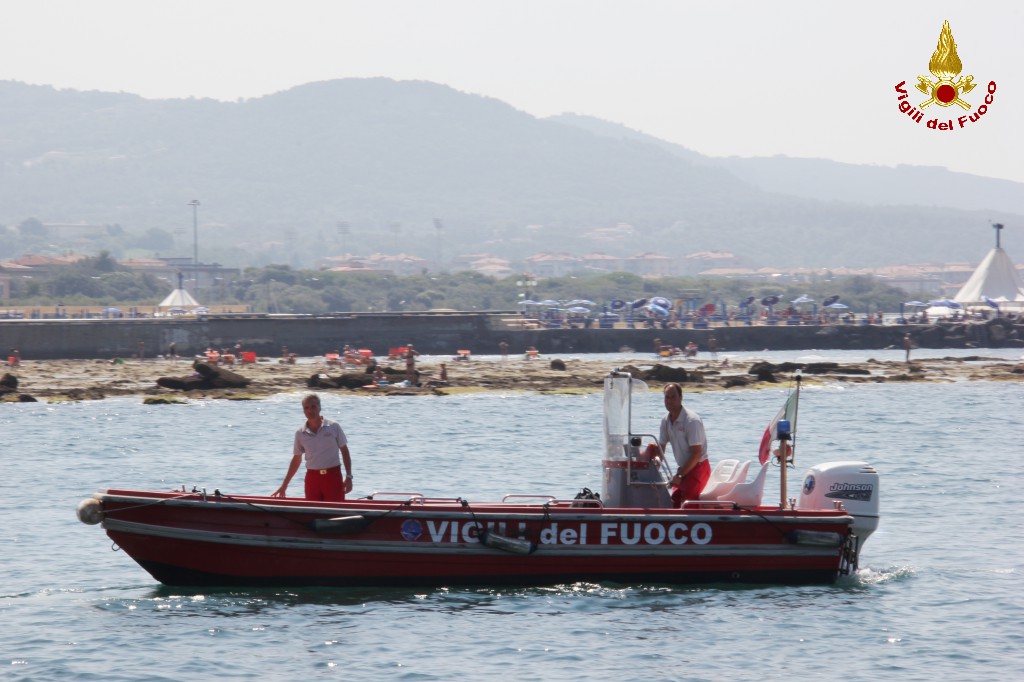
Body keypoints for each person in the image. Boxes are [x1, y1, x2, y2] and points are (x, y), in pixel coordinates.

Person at [272, 393, 353, 501]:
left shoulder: (333, 426)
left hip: (333, 477)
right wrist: (284, 485)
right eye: (306, 408)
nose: (310, 410)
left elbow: (344, 451)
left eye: (313, 407)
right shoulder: (300, 433)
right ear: (303, 411)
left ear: (319, 407)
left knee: (335, 509)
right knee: (312, 508)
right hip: (312, 479)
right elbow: (296, 459)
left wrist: (349, 476)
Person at [658, 383, 710, 508]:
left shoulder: (691, 421)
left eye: (673, 397)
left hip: (698, 468)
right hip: (683, 469)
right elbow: (660, 449)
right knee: (673, 503)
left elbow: (696, 454)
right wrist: (651, 467)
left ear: (681, 398)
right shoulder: (665, 421)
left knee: (687, 505)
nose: (669, 401)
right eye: (667, 397)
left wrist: (679, 475)